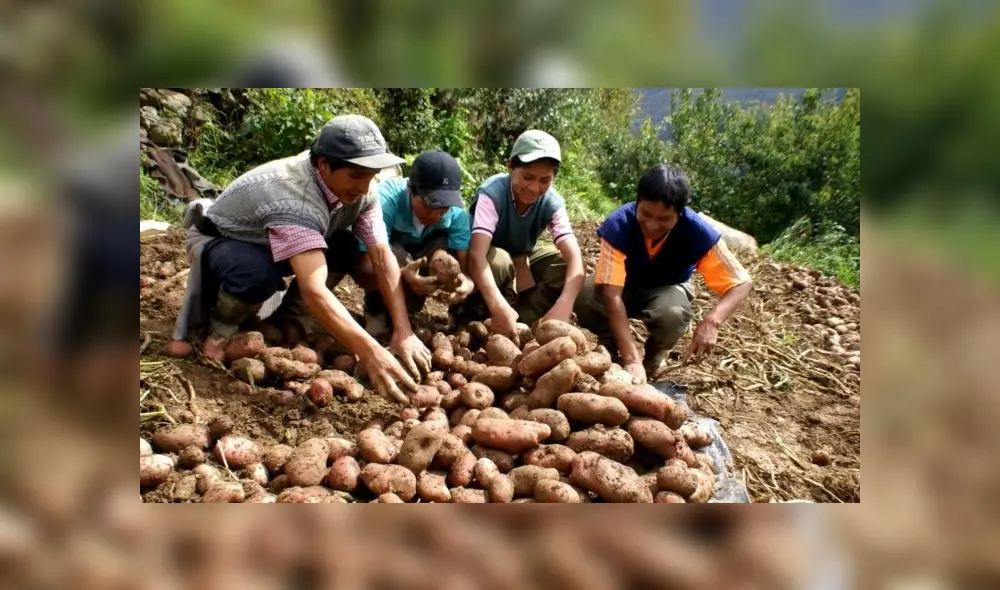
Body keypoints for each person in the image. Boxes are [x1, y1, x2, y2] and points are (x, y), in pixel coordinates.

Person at [163, 114, 430, 404]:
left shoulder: (364, 191)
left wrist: (403, 331)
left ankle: (289, 321)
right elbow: (314, 289)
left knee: (345, 246)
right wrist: (370, 351)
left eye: (371, 176)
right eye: (356, 175)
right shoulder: (294, 197)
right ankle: (219, 333)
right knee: (256, 272)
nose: (365, 187)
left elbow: (381, 255)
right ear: (324, 165)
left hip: (274, 239)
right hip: (226, 241)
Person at [574, 163, 753, 384]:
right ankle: (608, 344)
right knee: (585, 293)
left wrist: (712, 321)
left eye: (664, 219)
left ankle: (657, 354)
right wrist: (631, 359)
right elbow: (612, 295)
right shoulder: (619, 225)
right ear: (637, 201)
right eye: (646, 214)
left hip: (668, 287)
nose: (651, 225)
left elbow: (741, 282)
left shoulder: (697, 232)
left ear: (680, 213)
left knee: (673, 313)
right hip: (623, 286)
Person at [460, 130, 585, 341]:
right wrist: (498, 305)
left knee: (562, 265)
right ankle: (477, 317)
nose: (535, 188)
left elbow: (575, 260)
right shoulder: (493, 194)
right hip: (487, 262)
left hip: (520, 255)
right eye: (527, 177)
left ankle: (523, 320)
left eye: (545, 180)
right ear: (510, 166)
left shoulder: (552, 203)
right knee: (499, 262)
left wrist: (564, 305)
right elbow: (476, 255)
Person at [357, 150, 474, 336]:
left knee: (441, 247)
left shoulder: (457, 214)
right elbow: (363, 266)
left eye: (443, 208)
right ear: (411, 190)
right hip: (385, 264)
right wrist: (402, 275)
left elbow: (466, 271)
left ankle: (408, 311)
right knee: (392, 256)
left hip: (421, 262)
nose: (436, 215)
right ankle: (376, 309)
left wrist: (466, 285)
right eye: (430, 206)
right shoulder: (384, 201)